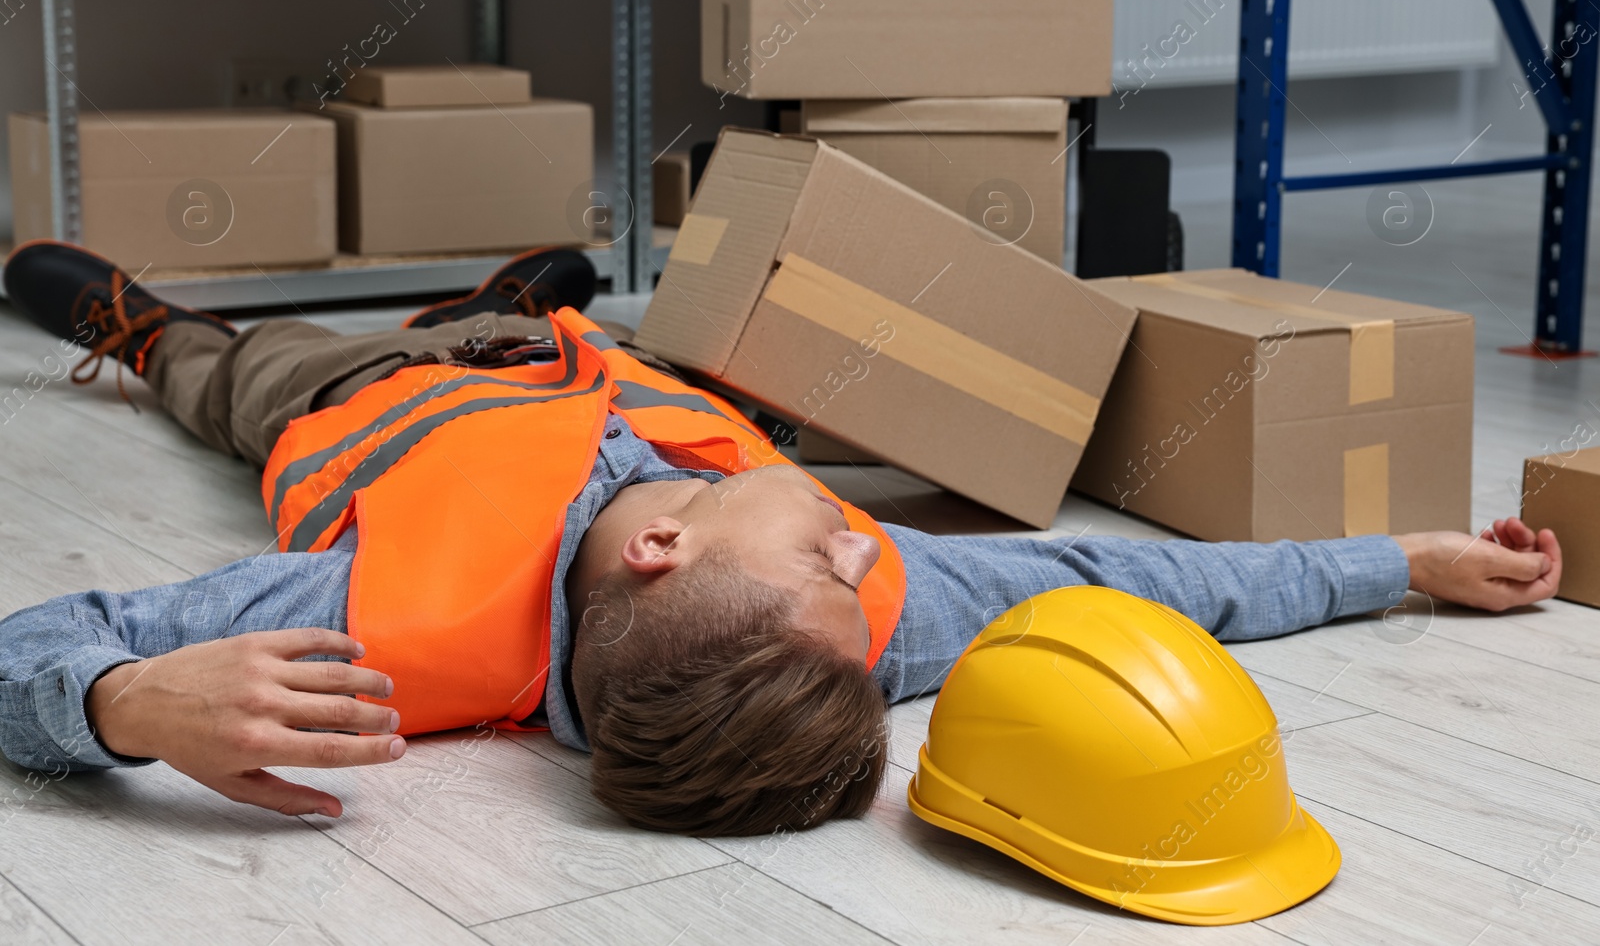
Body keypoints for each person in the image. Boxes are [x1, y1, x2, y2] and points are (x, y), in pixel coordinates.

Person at [0, 242, 1564, 837]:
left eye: (827, 567)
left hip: (353, 400)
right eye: (844, 570)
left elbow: (31, 649)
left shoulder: (363, 618)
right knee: (541, 308)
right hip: (569, 362)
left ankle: (137, 324)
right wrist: (1405, 563)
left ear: (667, 557)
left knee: (222, 373)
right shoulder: (857, 620)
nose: (860, 554)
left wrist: (120, 705)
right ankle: (493, 295)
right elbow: (1148, 583)